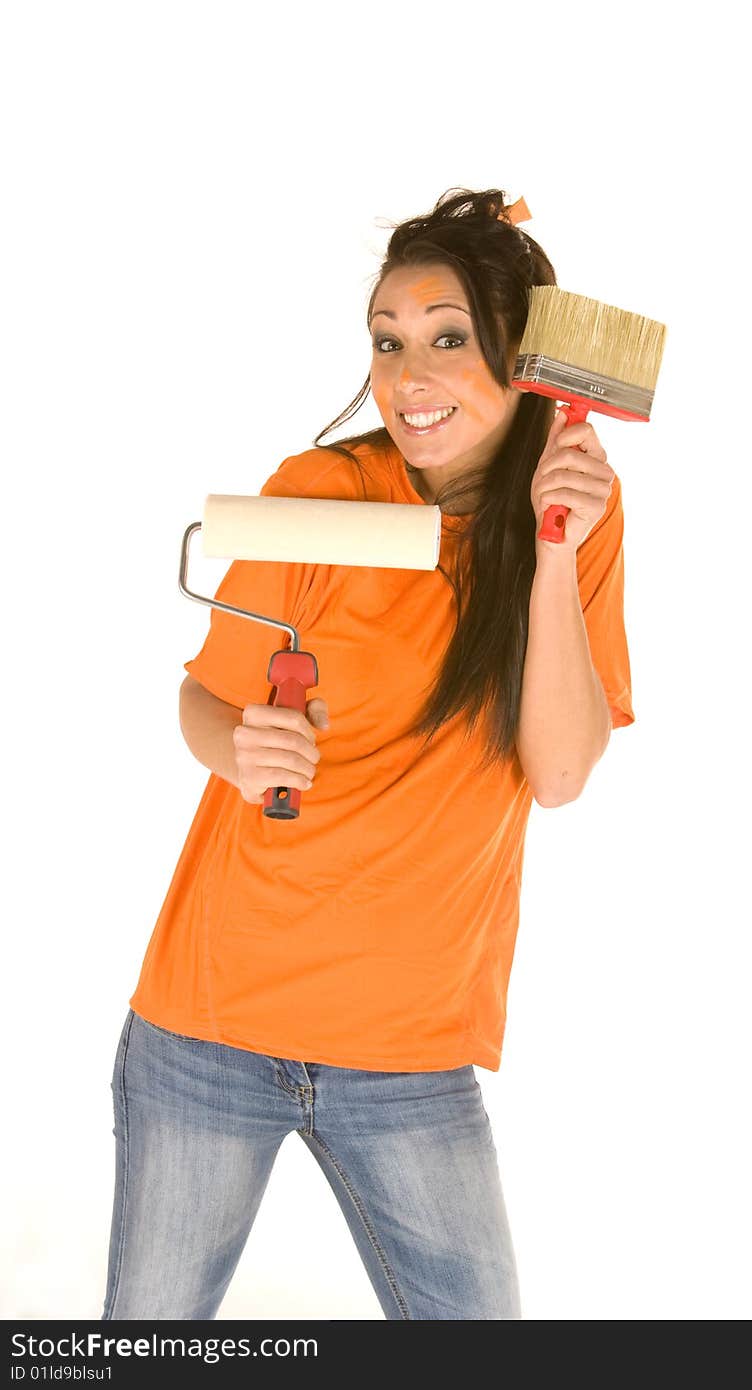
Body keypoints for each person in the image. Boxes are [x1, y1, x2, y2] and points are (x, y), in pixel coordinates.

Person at [101, 187, 634, 1322]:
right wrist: (240, 753)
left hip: (409, 1049)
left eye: (448, 338)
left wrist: (551, 555)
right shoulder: (318, 494)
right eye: (388, 342)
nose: (408, 376)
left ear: (522, 357)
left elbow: (560, 770)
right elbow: (203, 700)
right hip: (209, 1022)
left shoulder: (576, 510)